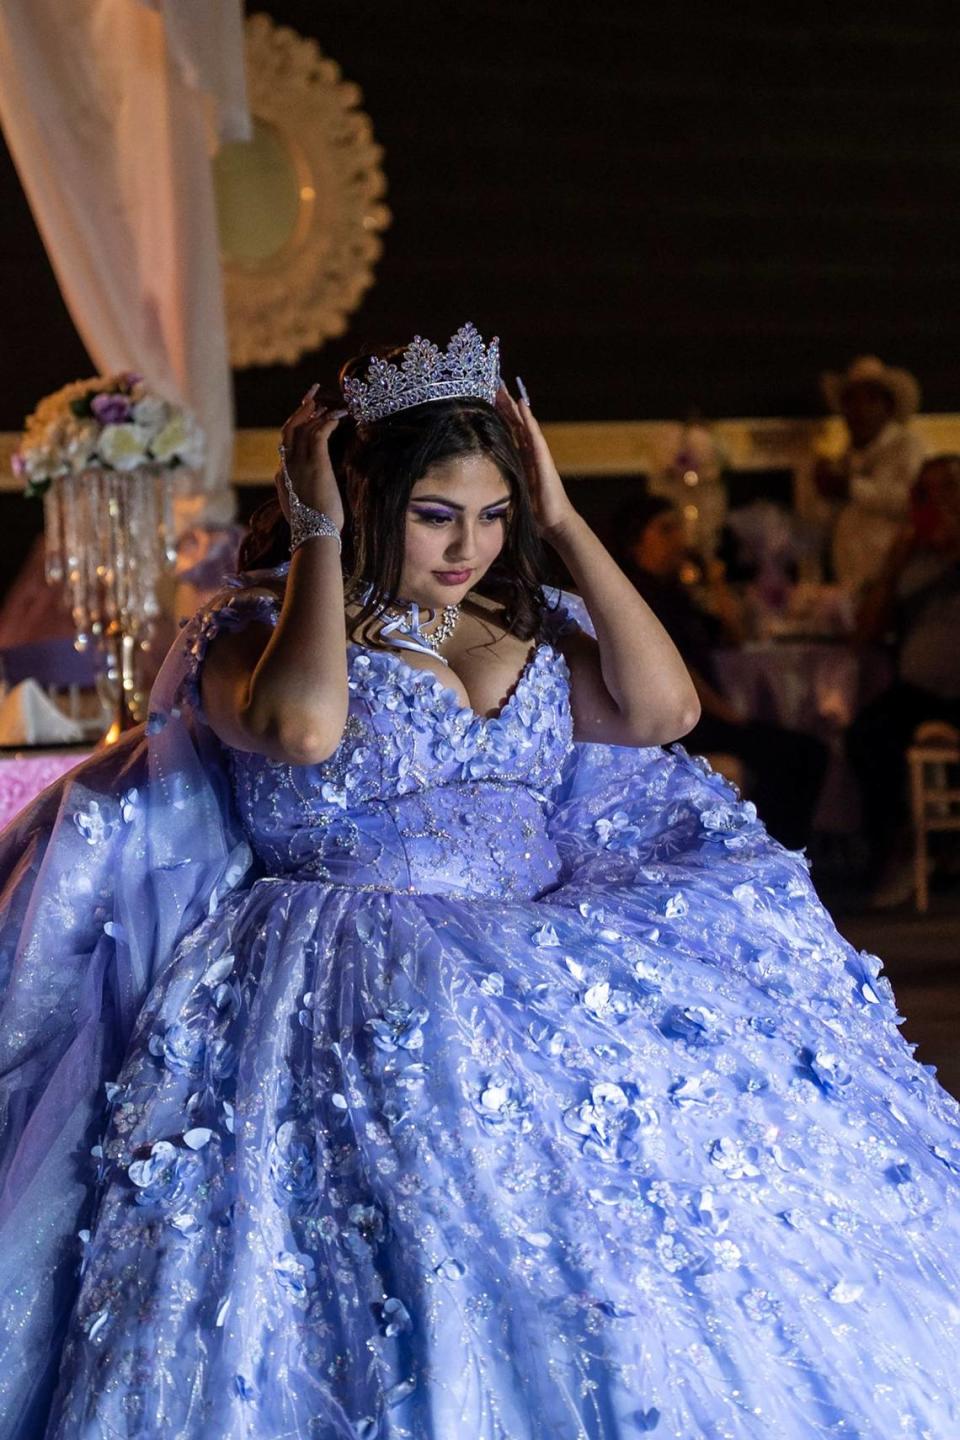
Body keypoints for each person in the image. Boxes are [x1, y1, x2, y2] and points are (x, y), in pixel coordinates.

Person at [2, 325, 960, 1440]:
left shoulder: (530, 624)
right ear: (368, 501)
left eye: (493, 515)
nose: (469, 549)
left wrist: (559, 518)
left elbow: (667, 713)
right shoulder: (253, 633)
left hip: (542, 958)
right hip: (343, 964)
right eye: (436, 515)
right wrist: (318, 537)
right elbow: (303, 727)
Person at [617, 493, 828, 852]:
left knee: (801, 751)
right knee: (796, 754)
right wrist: (730, 717)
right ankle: (775, 850)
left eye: (679, 530)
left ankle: (776, 847)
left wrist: (714, 579)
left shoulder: (676, 594)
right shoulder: (638, 593)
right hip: (680, 723)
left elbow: (733, 637)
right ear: (637, 539)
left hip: (704, 717)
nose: (679, 540)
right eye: (666, 530)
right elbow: (678, 669)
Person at [847, 453, 960, 906]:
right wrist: (895, 564)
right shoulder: (910, 557)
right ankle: (898, 849)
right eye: (927, 492)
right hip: (920, 693)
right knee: (867, 735)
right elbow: (867, 634)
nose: (938, 501)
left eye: (948, 488)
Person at [813, 354, 926, 592]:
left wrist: (850, 488)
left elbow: (914, 502)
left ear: (889, 406)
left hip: (897, 586)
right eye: (851, 401)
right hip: (852, 584)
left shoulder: (908, 447)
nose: (859, 410)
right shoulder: (847, 456)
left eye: (870, 400)